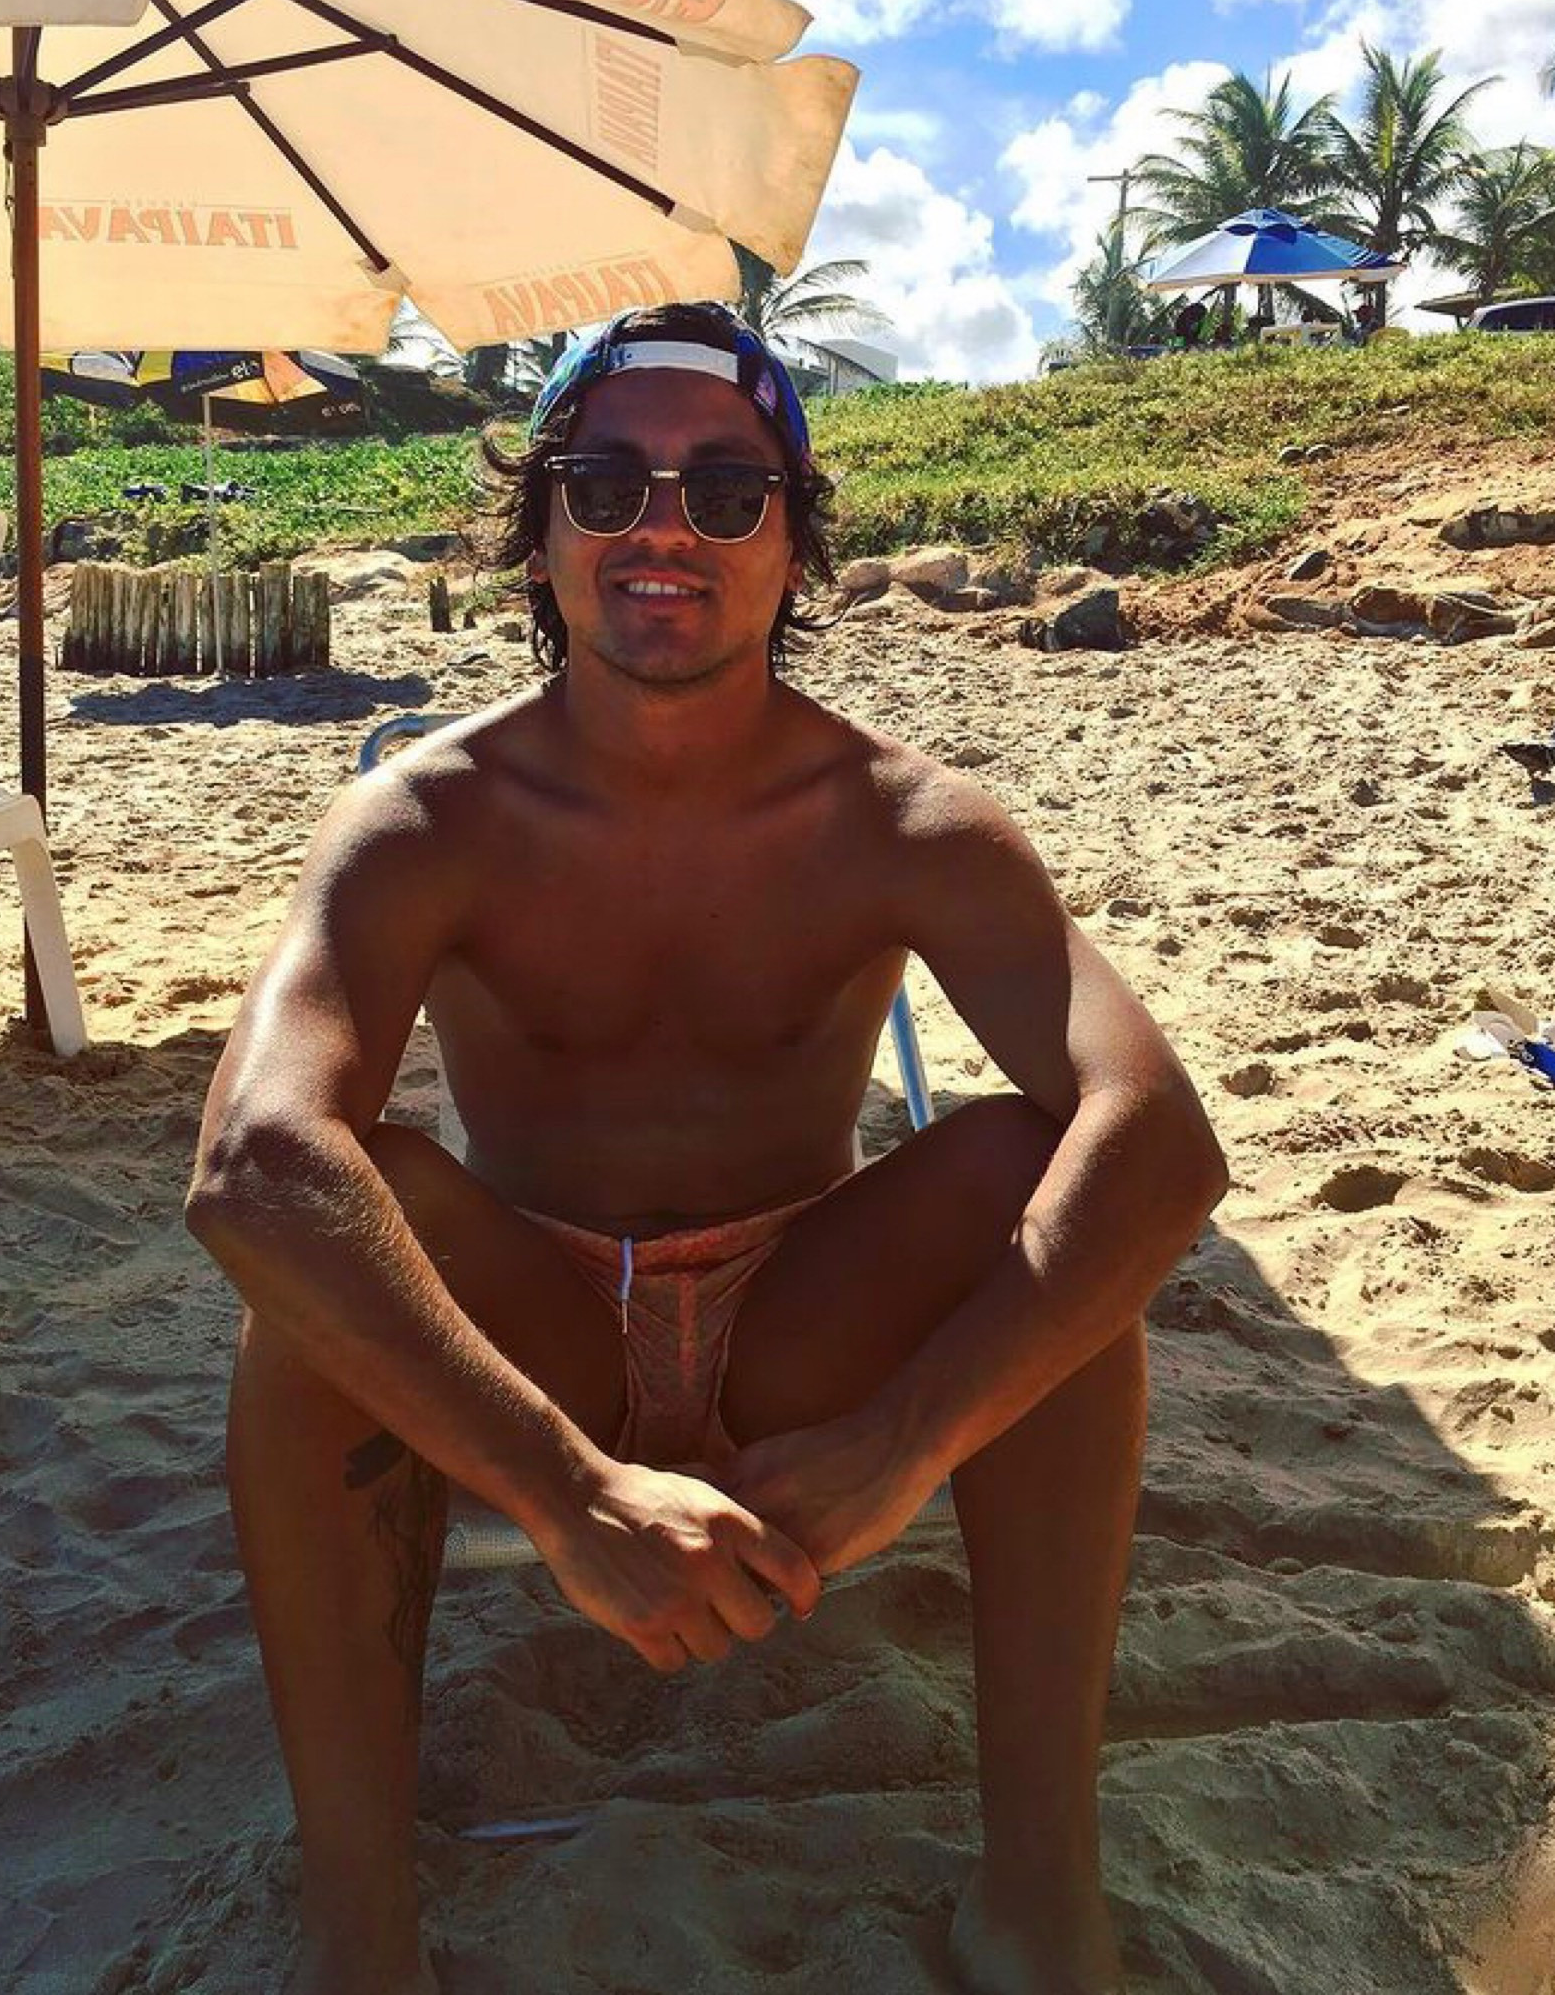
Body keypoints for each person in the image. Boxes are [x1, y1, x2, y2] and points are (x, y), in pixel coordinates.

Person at [186, 301, 1229, 1995]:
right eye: (606, 484)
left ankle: (1041, 1904)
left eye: (727, 492)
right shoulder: (426, 819)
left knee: (1037, 1186)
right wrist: (568, 1490)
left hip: (801, 1325)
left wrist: (904, 1436)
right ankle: (363, 1950)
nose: (663, 527)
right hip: (535, 1331)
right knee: (317, 1257)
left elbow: (1161, 1135)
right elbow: (250, 1161)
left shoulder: (906, 822)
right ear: (539, 531)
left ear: (795, 543)